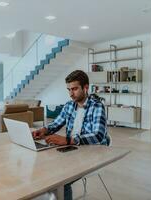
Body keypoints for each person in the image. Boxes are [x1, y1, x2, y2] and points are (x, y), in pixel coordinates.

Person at [32, 70, 110, 200]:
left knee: (62, 180)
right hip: (71, 149)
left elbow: (98, 136)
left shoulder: (97, 106)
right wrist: (44, 130)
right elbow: (56, 124)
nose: (70, 94)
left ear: (86, 88)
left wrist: (68, 140)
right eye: (68, 89)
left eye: (74, 89)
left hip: (91, 152)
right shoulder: (69, 105)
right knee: (42, 168)